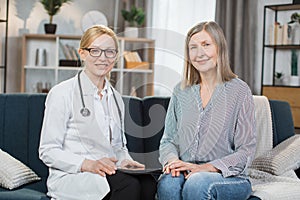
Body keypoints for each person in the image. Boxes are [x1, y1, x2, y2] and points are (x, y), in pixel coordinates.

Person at [39, 25, 156, 200]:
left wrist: (126, 161)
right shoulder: (62, 93)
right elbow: (48, 151)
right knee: (128, 185)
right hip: (73, 175)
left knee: (148, 182)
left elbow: (118, 147)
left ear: (116, 56)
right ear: (82, 53)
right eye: (95, 51)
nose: (103, 58)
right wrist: (87, 164)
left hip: (108, 171)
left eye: (110, 52)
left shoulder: (116, 98)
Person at [157, 21, 256, 200]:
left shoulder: (239, 91)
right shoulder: (180, 91)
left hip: (228, 177)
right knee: (168, 183)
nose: (199, 53)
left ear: (219, 48)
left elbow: (246, 151)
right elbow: (168, 140)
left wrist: (205, 168)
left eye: (206, 45)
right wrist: (172, 161)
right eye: (193, 47)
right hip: (186, 169)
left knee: (197, 183)